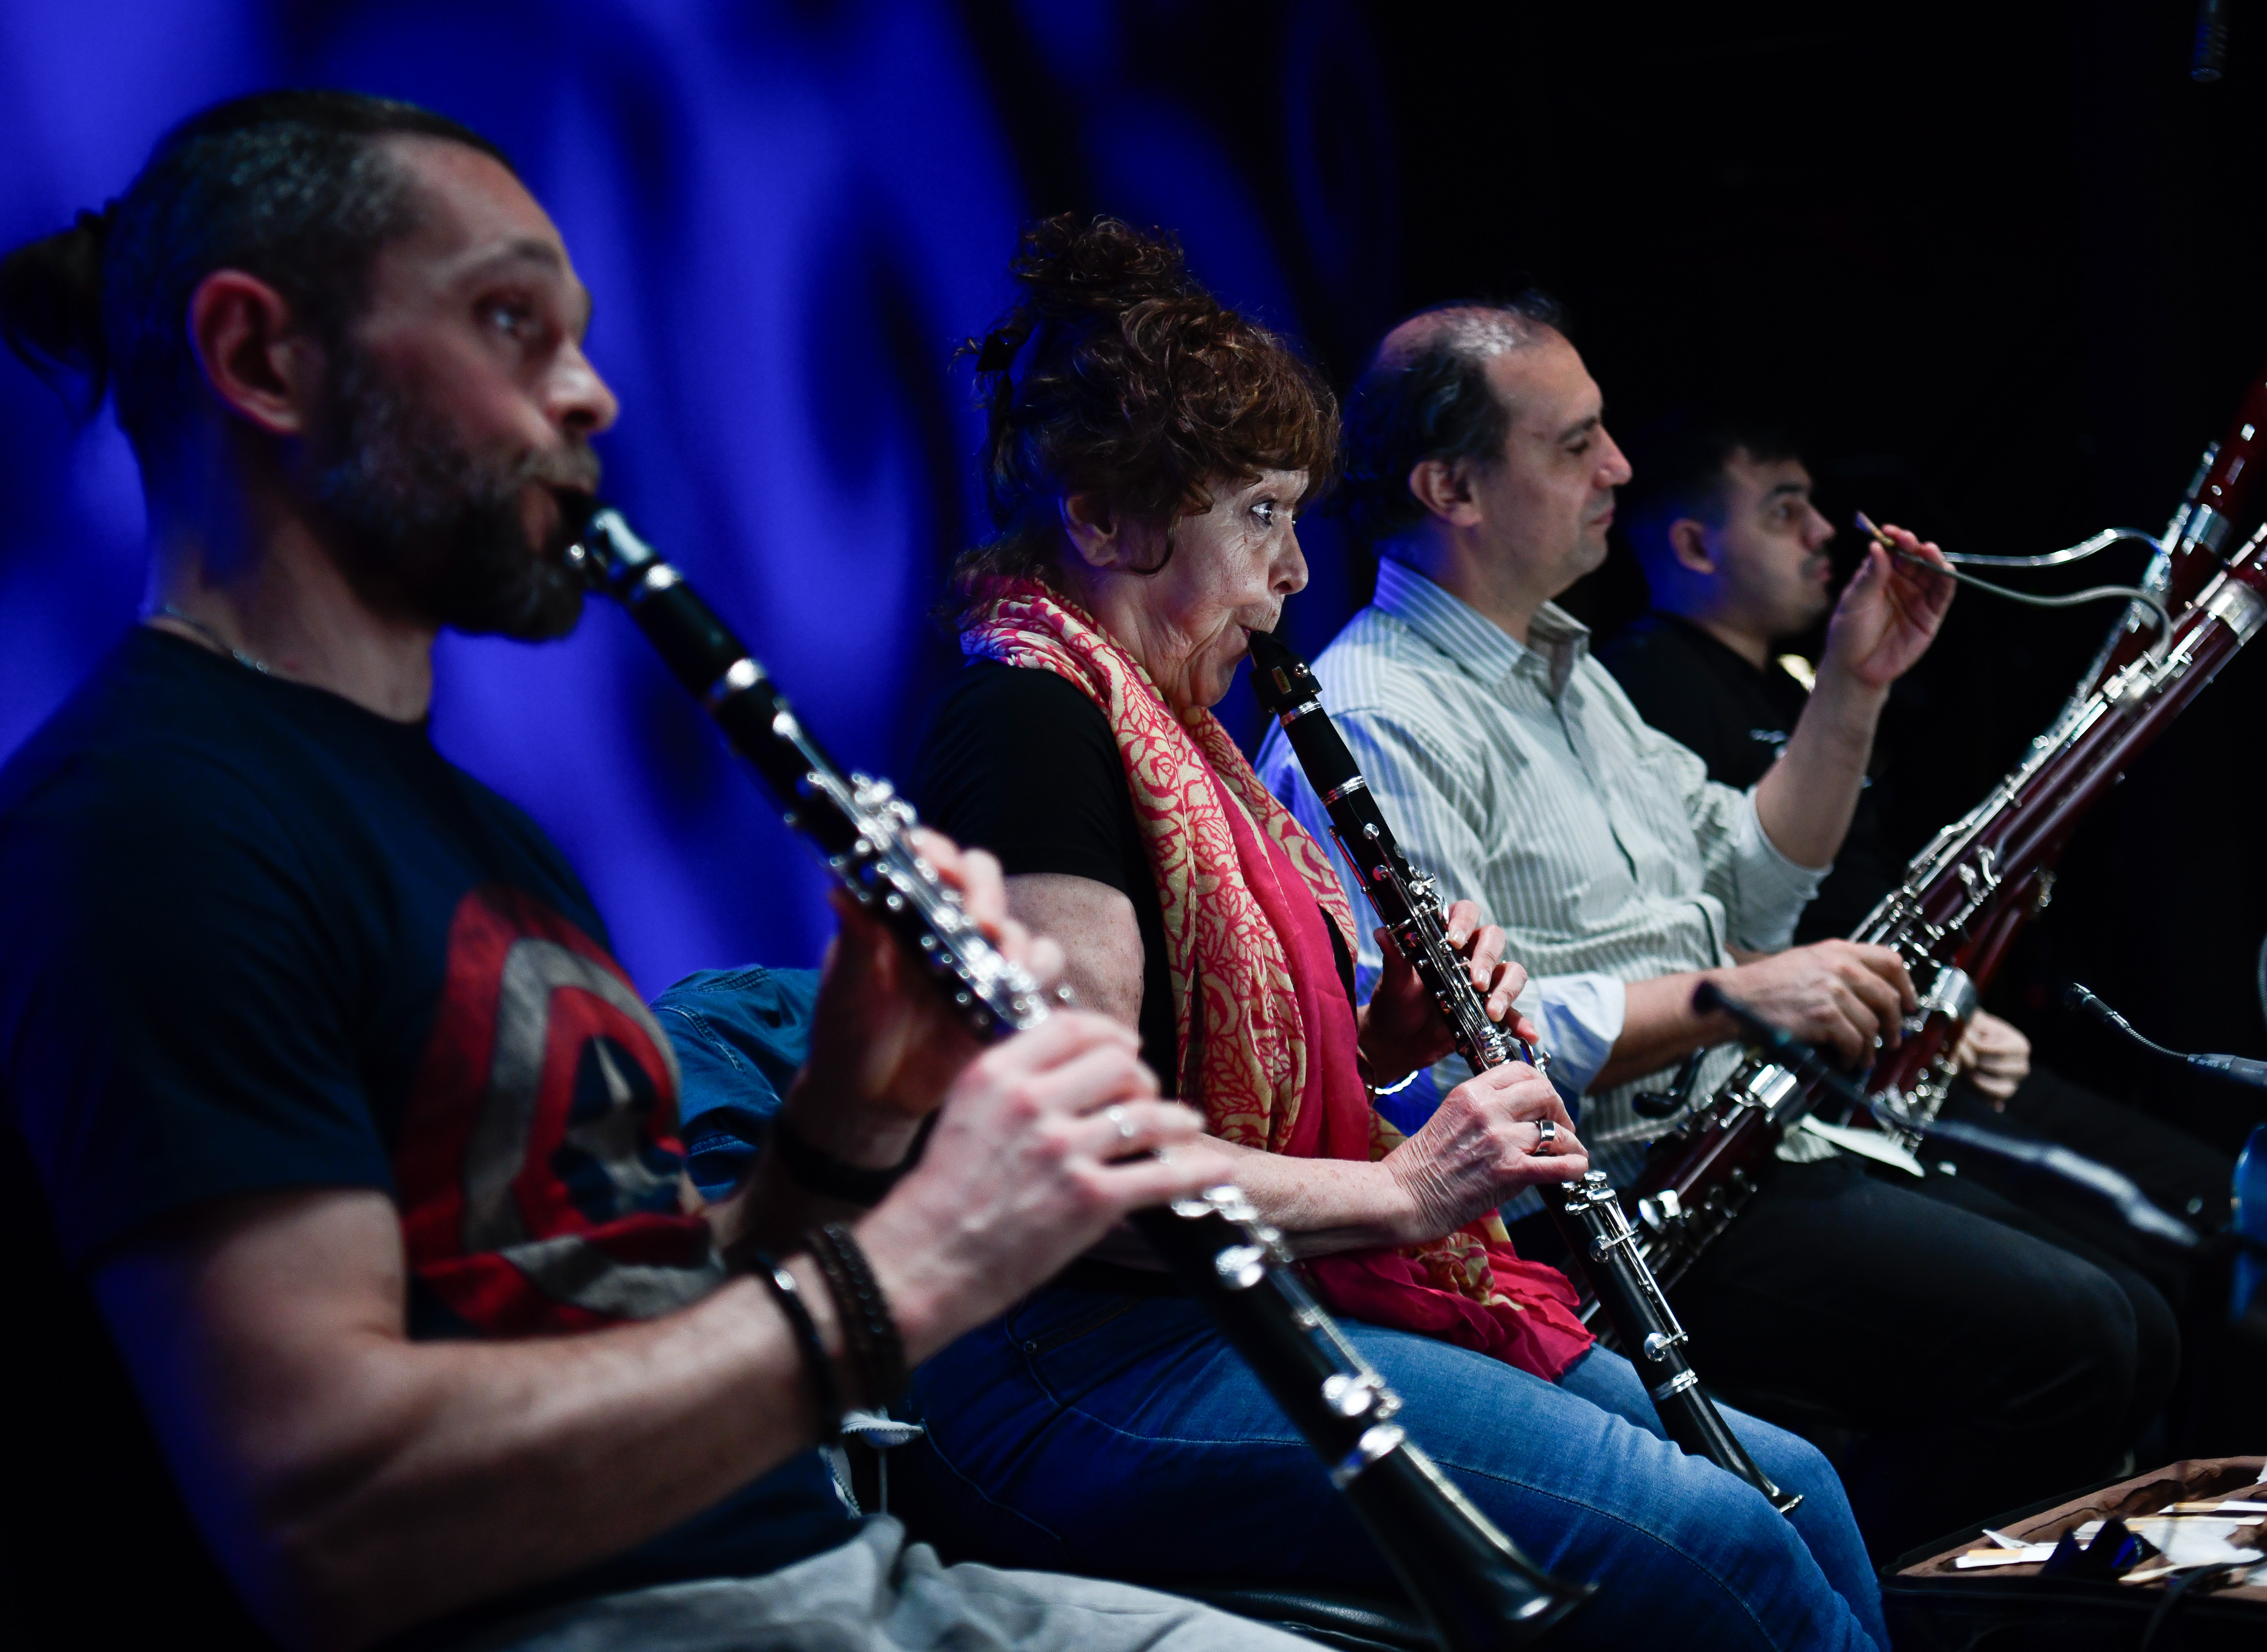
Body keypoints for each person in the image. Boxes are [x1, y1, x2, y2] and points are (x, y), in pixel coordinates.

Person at [0, 91, 1314, 1652]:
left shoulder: (488, 835)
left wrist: (849, 1119)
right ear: (261, 358)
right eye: (511, 322)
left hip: (812, 1578)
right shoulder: (151, 822)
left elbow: (642, 1327)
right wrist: (916, 1261)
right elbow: (331, 1517)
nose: (593, 396)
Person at [667, 216, 1889, 1650]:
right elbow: (1084, 1172)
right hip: (1073, 1360)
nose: (1293, 574)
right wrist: (1403, 1190)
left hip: (1211, 1305)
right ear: (1110, 522)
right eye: (1257, 516)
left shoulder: (1179, 736)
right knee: (1722, 1542)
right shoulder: (1031, 732)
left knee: (1792, 1486)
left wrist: (1389, 1045)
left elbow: (1197, 1072)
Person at [1258, 296, 2176, 1559]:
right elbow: (1453, 1062)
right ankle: (1829, 1610)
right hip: (1609, 1208)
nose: (1620, 470)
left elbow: (1747, 885)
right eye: (1576, 445)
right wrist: (1745, 999)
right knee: (2082, 1346)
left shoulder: (1569, 681)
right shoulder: (1379, 706)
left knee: (2140, 1313)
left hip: (1733, 1152)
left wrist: (1853, 686)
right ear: (1450, 488)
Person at [1598, 406, 2234, 1258]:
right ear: (1695, 548)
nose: (1826, 532)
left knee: (2202, 1209)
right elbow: (1695, 926)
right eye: (1785, 511)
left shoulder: (1790, 686)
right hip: (1826, 1066)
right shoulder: (1643, 686)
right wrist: (1913, 1016)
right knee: (2133, 1266)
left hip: (1900, 1037)